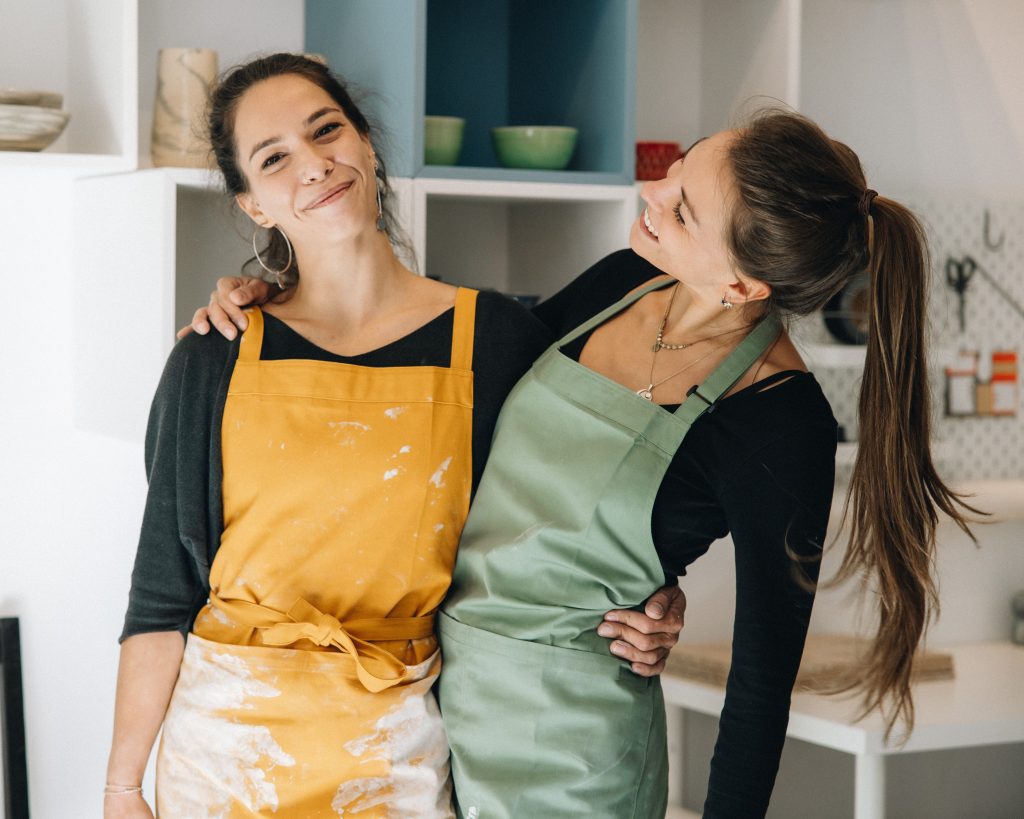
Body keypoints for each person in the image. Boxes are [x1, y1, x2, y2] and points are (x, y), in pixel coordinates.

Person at [197, 106, 979, 818]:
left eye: (682, 210)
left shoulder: (782, 423)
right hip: (432, 705)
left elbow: (760, 690)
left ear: (743, 282)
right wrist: (284, 301)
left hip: (567, 760)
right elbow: (459, 359)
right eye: (678, 170)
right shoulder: (624, 280)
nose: (652, 195)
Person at [104, 54, 682, 819]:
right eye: (275, 158)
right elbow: (161, 595)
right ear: (254, 205)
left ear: (368, 143)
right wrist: (122, 787)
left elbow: (563, 527)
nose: (314, 164)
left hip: (396, 747)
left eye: (327, 130)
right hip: (225, 754)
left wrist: (653, 600)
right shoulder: (213, 355)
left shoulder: (494, 340)